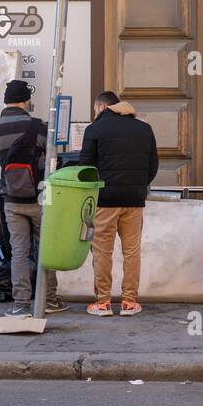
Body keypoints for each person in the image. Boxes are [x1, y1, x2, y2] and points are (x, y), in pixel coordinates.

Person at [0, 79, 65, 317]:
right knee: (45, 249)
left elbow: (2, 161)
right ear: (25, 100)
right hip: (40, 199)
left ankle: (20, 304)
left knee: (19, 252)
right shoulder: (38, 127)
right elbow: (54, 157)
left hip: (11, 200)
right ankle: (49, 299)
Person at [79, 91, 158, 317]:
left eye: (96, 110)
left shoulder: (94, 129)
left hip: (105, 200)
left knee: (102, 251)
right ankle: (129, 302)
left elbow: (86, 167)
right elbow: (153, 165)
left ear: (102, 107)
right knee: (132, 251)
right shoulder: (144, 129)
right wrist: (138, 186)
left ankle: (103, 302)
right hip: (134, 200)